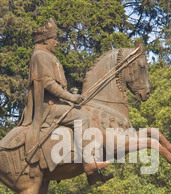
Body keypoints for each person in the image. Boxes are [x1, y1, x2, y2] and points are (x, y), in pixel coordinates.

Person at [19, 19, 111, 185]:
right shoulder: (40, 56)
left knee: (84, 112)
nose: (56, 42)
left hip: (56, 103)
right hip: (48, 108)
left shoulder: (47, 56)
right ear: (46, 40)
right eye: (54, 39)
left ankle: (91, 173)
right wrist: (70, 97)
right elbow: (48, 84)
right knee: (81, 118)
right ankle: (89, 164)